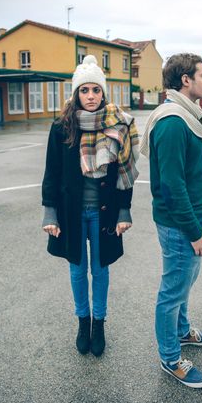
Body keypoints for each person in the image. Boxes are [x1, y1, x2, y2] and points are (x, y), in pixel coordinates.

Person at [42, 55, 139, 357]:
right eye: (84, 90)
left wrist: (124, 210)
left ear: (103, 92)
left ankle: (99, 323)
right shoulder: (62, 128)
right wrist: (50, 212)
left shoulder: (117, 124)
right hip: (71, 213)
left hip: (103, 213)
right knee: (77, 270)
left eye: (96, 90)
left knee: (100, 270)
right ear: (76, 94)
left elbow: (125, 170)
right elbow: (52, 172)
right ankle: (82, 322)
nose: (91, 96)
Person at [140, 53, 202, 388]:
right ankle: (171, 358)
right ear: (186, 80)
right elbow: (171, 186)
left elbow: (193, 176)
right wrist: (194, 230)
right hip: (179, 225)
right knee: (172, 291)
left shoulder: (188, 116)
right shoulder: (172, 122)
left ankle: (182, 332)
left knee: (183, 285)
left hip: (193, 219)